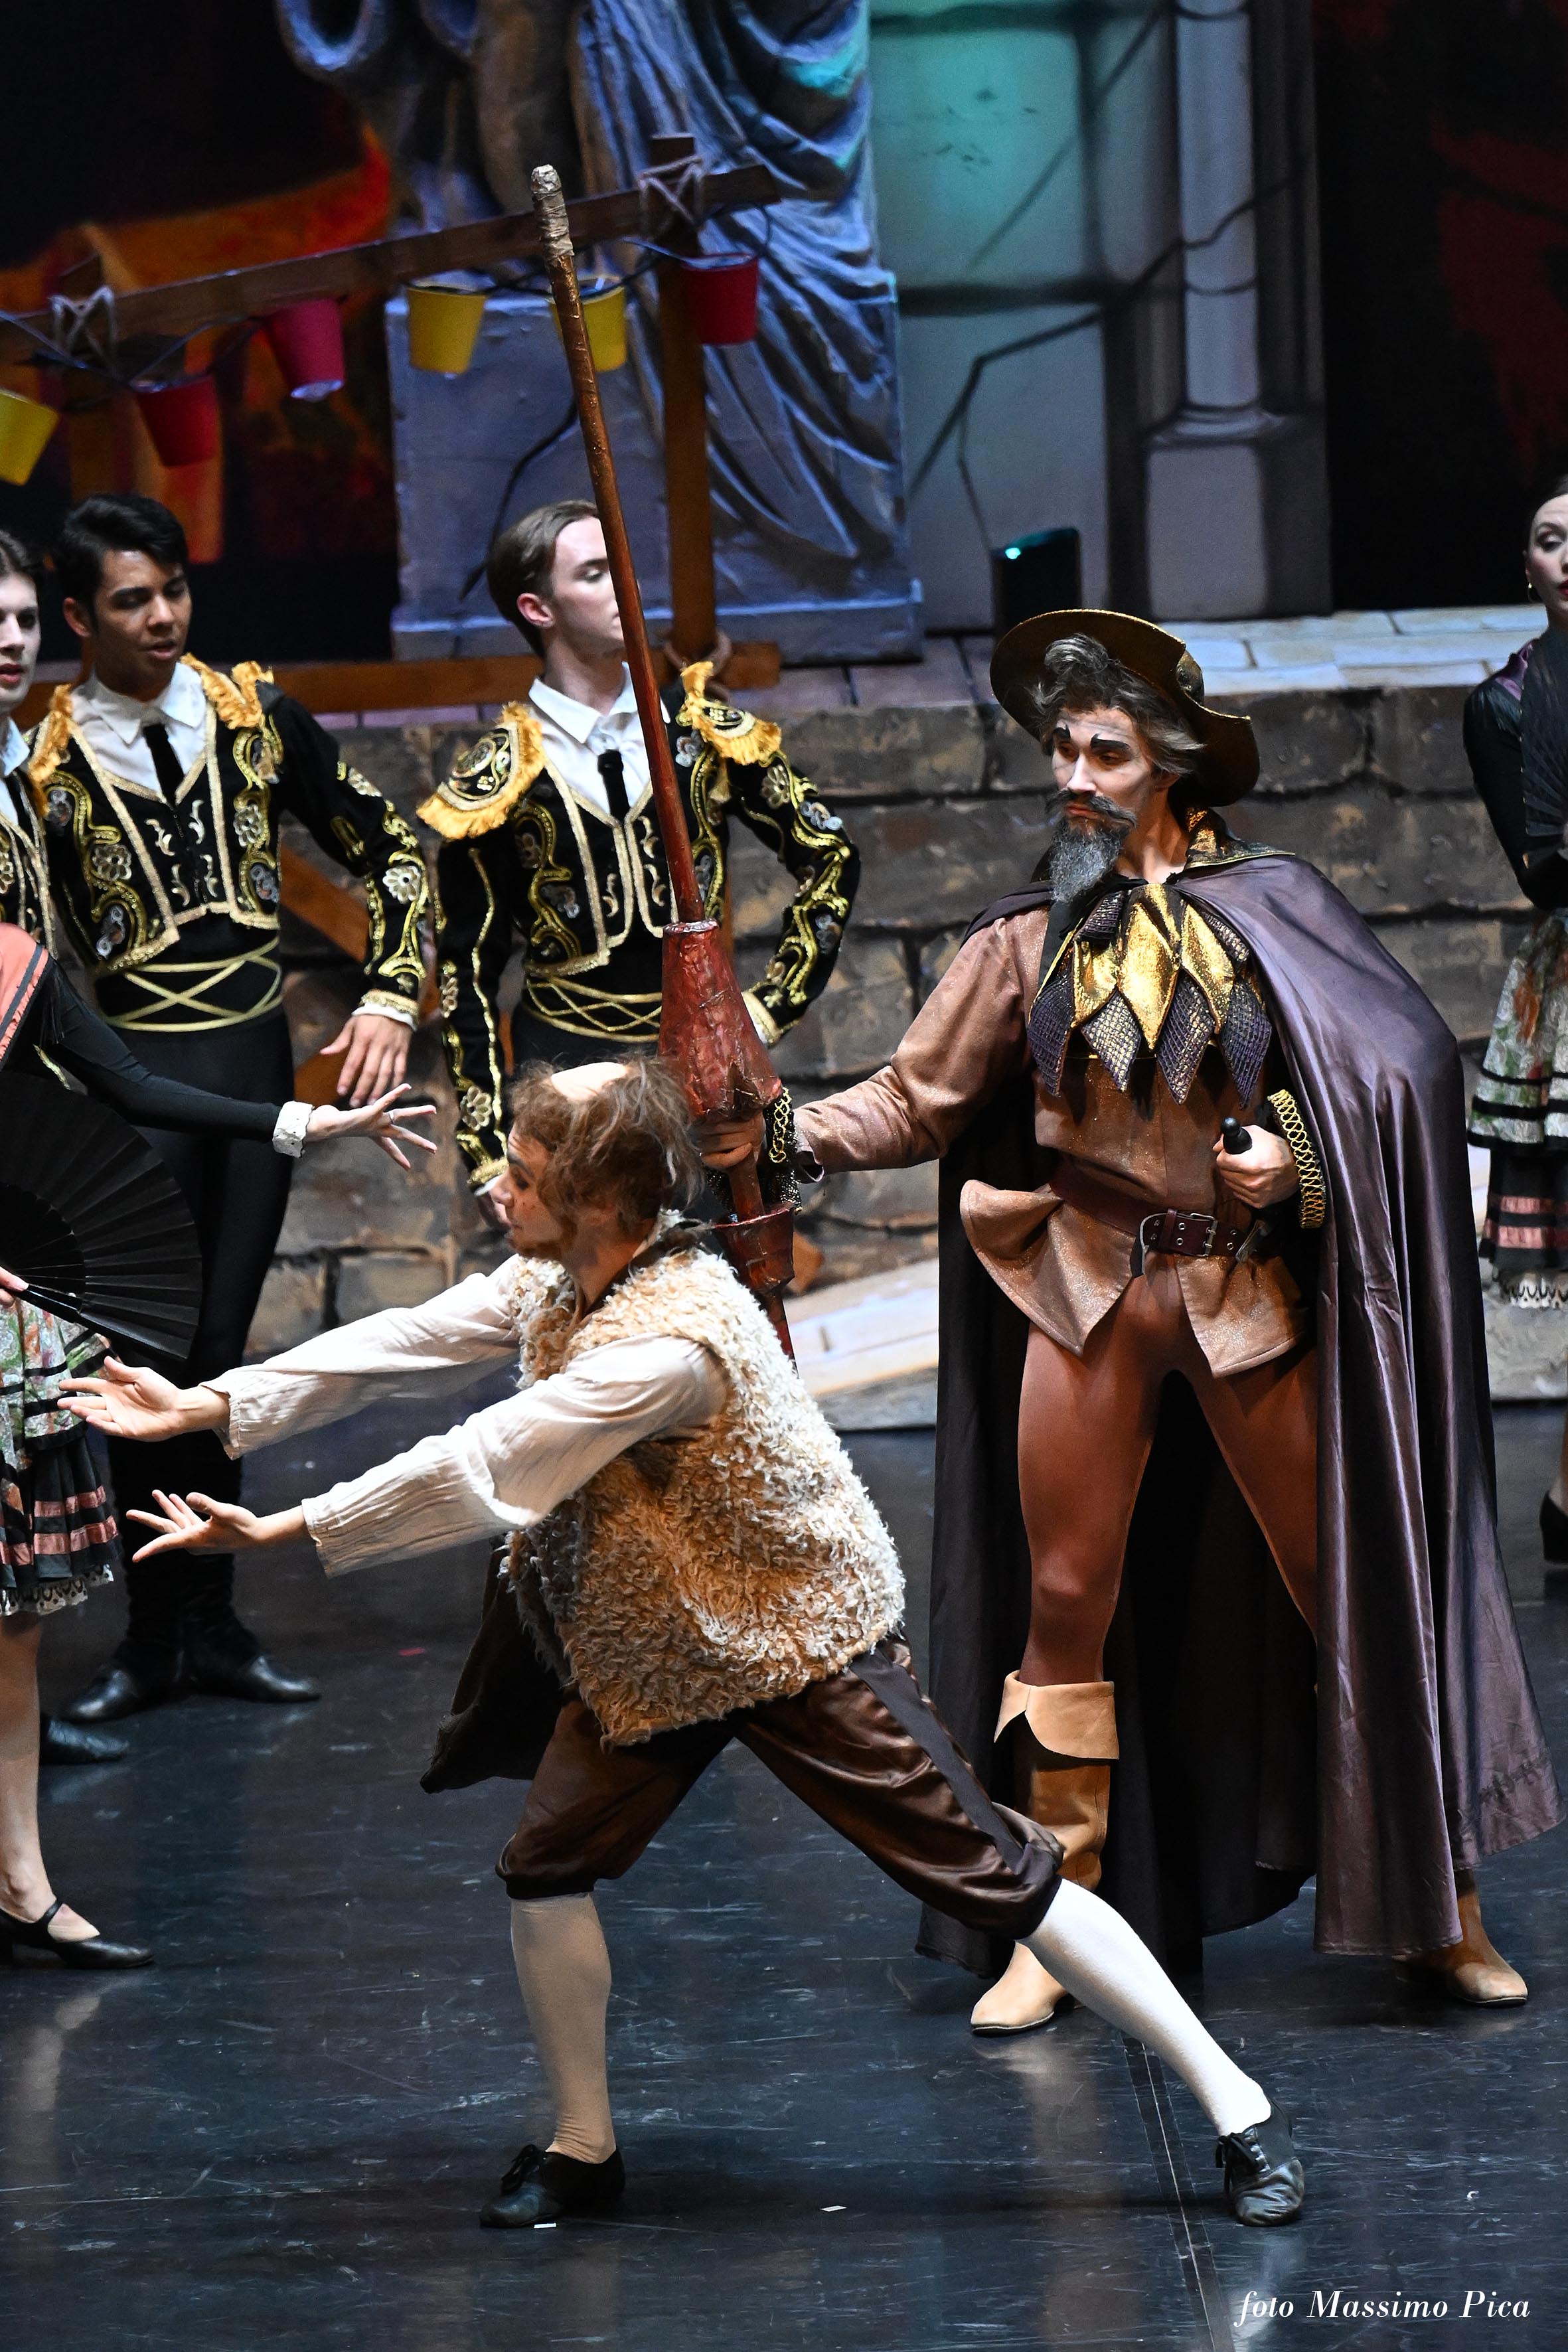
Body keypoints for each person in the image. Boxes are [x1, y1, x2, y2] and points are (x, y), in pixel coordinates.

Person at [68, 1059, 1304, 2230]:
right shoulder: (564, 1276)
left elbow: (490, 1458)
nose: (497, 1186)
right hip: (655, 1647)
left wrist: (283, 1527)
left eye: (524, 1172)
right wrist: (212, 1402)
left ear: (602, 1200)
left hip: (788, 1639)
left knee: (997, 1872)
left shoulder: (671, 1342)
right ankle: (582, 2145)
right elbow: (414, 1334)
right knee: (545, 1865)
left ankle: (1237, 2107)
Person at [708, 610, 1562, 2031]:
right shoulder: (1023, 936)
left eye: (1103, 750)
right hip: (1086, 1289)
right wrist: (780, 1131)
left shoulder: (1272, 908)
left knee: (1345, 1585)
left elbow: (1395, 1059)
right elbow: (914, 1099)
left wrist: (1295, 1153)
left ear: (1167, 761)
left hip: (1238, 1292)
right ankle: (1057, 1925)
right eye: (1060, 747)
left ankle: (1437, 1903)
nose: (1073, 774)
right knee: (1061, 1604)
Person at [1, 530, 433, 1966]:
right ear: (79, 618)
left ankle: (212, 1619)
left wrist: (388, 993)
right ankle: (148, 1634)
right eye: (132, 600)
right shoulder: (42, 762)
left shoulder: (255, 716)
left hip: (246, 1065)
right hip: (125, 1079)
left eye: (176, 590)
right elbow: (29, 961)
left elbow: (396, 852)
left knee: (214, 1347)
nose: (164, 616)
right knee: (143, 1347)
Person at [419, 500, 859, 1194]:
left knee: (727, 1255)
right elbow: (466, 972)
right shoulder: (498, 779)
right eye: (595, 574)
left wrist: (767, 1007)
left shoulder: (701, 732)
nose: (624, 586)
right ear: (537, 608)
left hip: (703, 1068)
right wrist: (485, 1153)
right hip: (563, 1076)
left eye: (622, 566)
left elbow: (831, 853)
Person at [1466, 476, 1568, 1575]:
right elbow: (1544, 868)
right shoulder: (1505, 701)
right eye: (1549, 540)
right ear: (1527, 567)